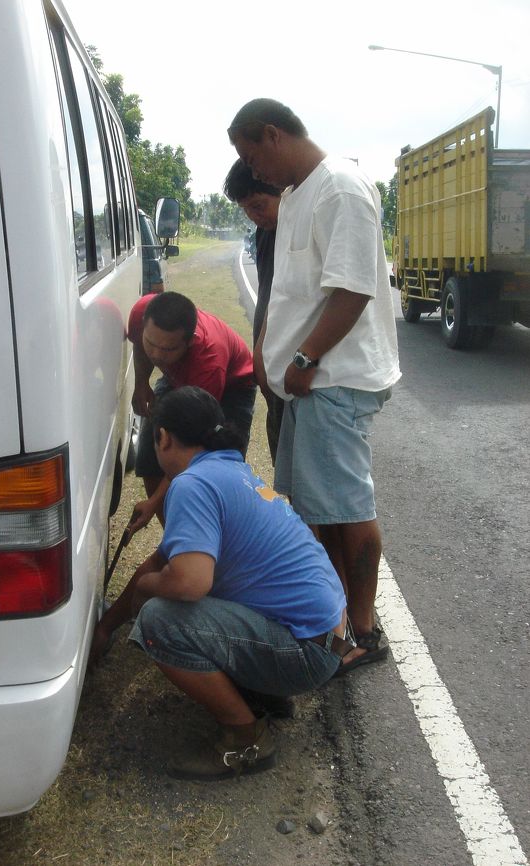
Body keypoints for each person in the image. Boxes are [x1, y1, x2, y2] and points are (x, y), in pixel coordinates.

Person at [90, 386, 350, 780]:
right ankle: (262, 693)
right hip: (325, 636)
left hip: (306, 651)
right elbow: (162, 561)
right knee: (175, 596)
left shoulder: (192, 484)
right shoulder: (229, 468)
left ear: (163, 437)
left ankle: (247, 739)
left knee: (161, 620)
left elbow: (191, 582)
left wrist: (145, 592)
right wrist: (107, 626)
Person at [228, 98, 401, 673]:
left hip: (334, 380)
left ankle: (366, 632)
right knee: (313, 510)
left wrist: (303, 358)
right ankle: (330, 622)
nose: (255, 173)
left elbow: (352, 291)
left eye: (253, 158)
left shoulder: (341, 189)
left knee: (347, 508)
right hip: (306, 385)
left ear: (273, 135)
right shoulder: (300, 195)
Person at [127, 291, 256, 535]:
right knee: (149, 453)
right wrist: (141, 383)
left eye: (167, 350)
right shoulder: (143, 311)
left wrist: (152, 503)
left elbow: (192, 451)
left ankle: (213, 541)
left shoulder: (209, 360)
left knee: (211, 469)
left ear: (190, 341)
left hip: (231, 388)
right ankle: (176, 537)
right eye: (150, 343)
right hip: (178, 378)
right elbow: (139, 345)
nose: (156, 355)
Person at [224, 158, 284, 463]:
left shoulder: (292, 230)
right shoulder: (265, 232)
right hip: (270, 364)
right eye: (246, 210)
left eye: (259, 205)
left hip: (290, 363)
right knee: (281, 450)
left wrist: (261, 349)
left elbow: (283, 300)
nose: (254, 216)